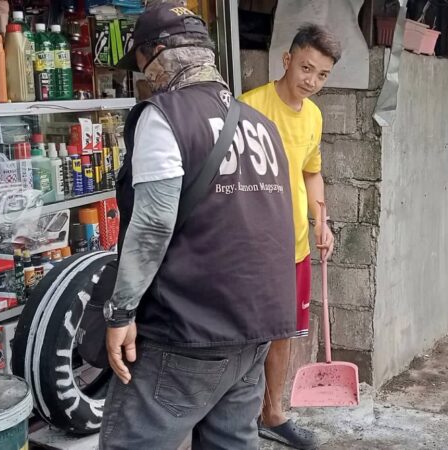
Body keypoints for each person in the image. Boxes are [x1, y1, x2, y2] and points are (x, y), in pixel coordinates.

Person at [100, 4, 296, 449]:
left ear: (155, 54)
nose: (144, 77)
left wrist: (121, 312)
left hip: (187, 331)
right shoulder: (261, 125)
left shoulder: (165, 115)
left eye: (141, 64)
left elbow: (153, 224)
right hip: (256, 326)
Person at [238, 24, 340, 450]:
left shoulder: (313, 116)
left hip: (294, 245)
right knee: (243, 333)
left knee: (283, 333)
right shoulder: (248, 108)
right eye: (306, 68)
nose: (311, 81)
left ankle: (272, 413)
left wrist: (321, 220)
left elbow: (311, 172)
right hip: (251, 247)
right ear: (287, 60)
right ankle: (231, 416)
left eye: (322, 75)